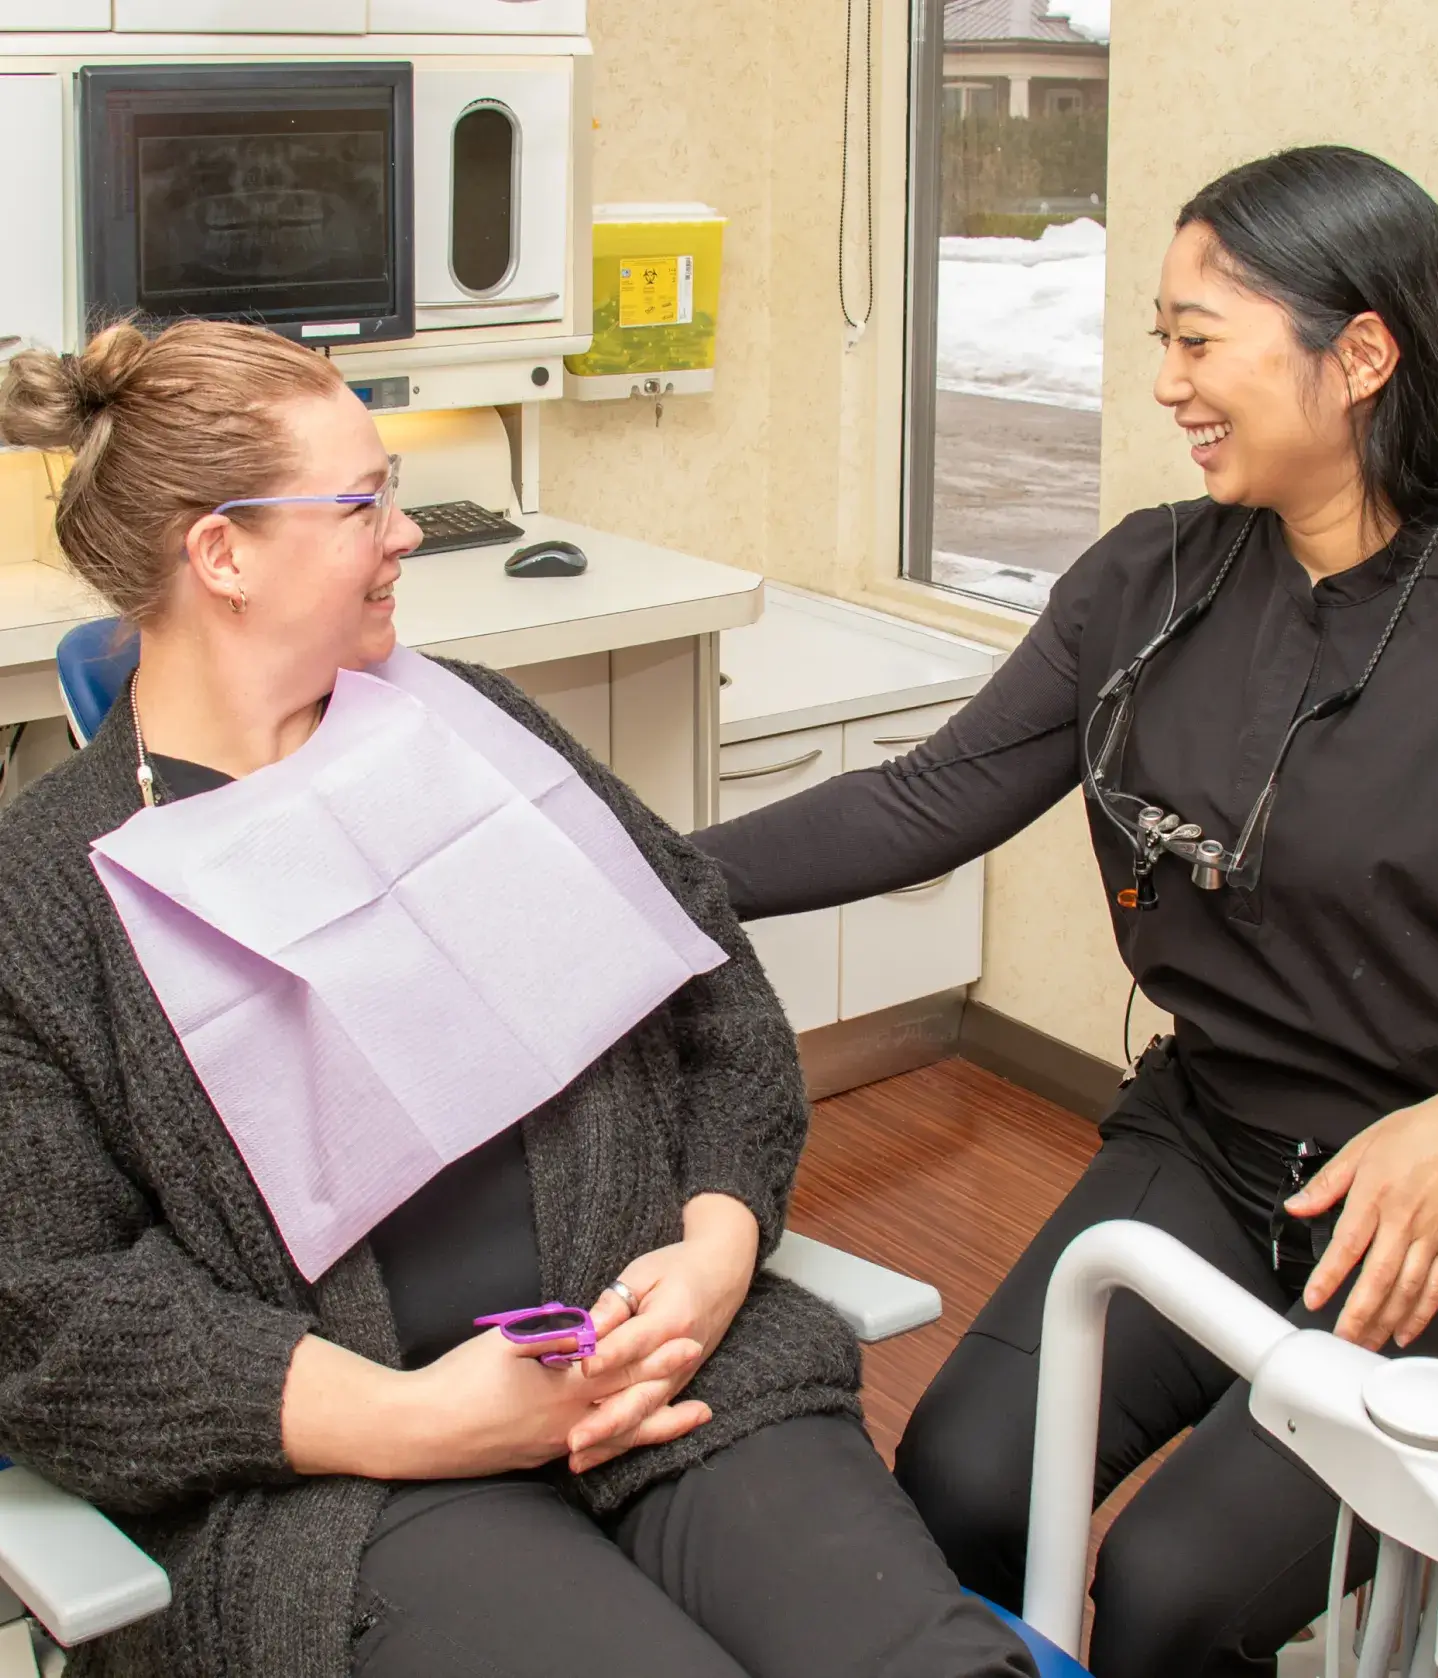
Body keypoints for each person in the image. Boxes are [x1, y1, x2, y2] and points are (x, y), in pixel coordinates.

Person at [695, 144, 1438, 1676]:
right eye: (1157, 336)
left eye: (1196, 335)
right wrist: (644, 865)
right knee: (958, 1482)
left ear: (1358, 353)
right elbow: (927, 799)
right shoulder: (1150, 583)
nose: (1164, 380)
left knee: (1170, 1592)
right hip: (1216, 1154)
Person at [0, 319, 1037, 1678]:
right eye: (365, 499)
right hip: (355, 1485)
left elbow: (710, 1000)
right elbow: (54, 1311)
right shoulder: (46, 899)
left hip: (667, 1368)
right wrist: (420, 1419)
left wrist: (717, 1243)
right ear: (224, 554)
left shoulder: (475, 729)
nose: (408, 531)